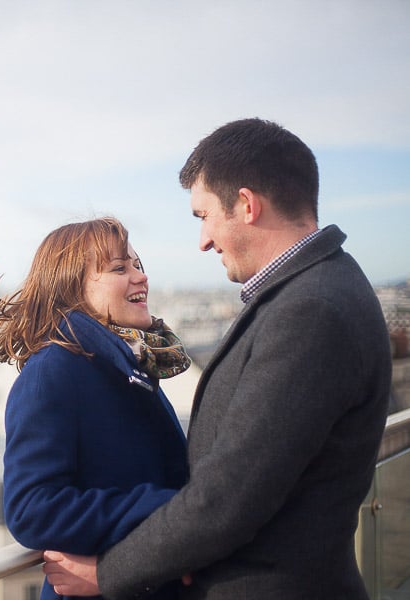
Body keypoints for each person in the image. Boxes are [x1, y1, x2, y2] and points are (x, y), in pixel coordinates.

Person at [42, 118, 392, 599]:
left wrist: (108, 573)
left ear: (246, 206)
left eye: (204, 215)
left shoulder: (309, 310)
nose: (203, 240)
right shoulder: (324, 287)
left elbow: (230, 498)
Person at [0, 217, 193, 600]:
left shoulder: (126, 366)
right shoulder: (55, 370)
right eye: (120, 267)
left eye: (139, 266)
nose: (141, 278)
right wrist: (172, 509)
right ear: (72, 288)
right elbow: (32, 510)